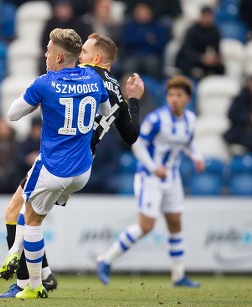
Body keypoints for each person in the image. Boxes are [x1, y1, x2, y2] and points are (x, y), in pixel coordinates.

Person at [0, 31, 144, 299]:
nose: (81, 57)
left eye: (84, 53)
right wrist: (132, 100)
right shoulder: (108, 86)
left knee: (22, 214)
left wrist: (40, 93)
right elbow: (130, 134)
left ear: (96, 58)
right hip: (84, 163)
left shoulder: (83, 75)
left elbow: (18, 111)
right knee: (26, 213)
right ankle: (40, 271)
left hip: (57, 157)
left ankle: (25, 277)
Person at [96, 75, 205, 288]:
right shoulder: (157, 120)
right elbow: (137, 146)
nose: (174, 99)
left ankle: (178, 276)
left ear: (188, 99)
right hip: (150, 177)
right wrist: (154, 168)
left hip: (172, 178)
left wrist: (197, 157)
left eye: (179, 95)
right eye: (171, 94)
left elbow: (188, 144)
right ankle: (106, 259)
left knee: (175, 224)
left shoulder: (191, 120)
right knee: (146, 226)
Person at [175, 6, 224, 80]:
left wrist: (215, 59)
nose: (207, 19)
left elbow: (216, 49)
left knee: (220, 67)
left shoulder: (214, 31)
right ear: (201, 16)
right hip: (190, 59)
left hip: (204, 60)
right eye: (205, 16)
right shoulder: (192, 31)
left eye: (209, 16)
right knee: (187, 65)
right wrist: (201, 58)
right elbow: (187, 51)